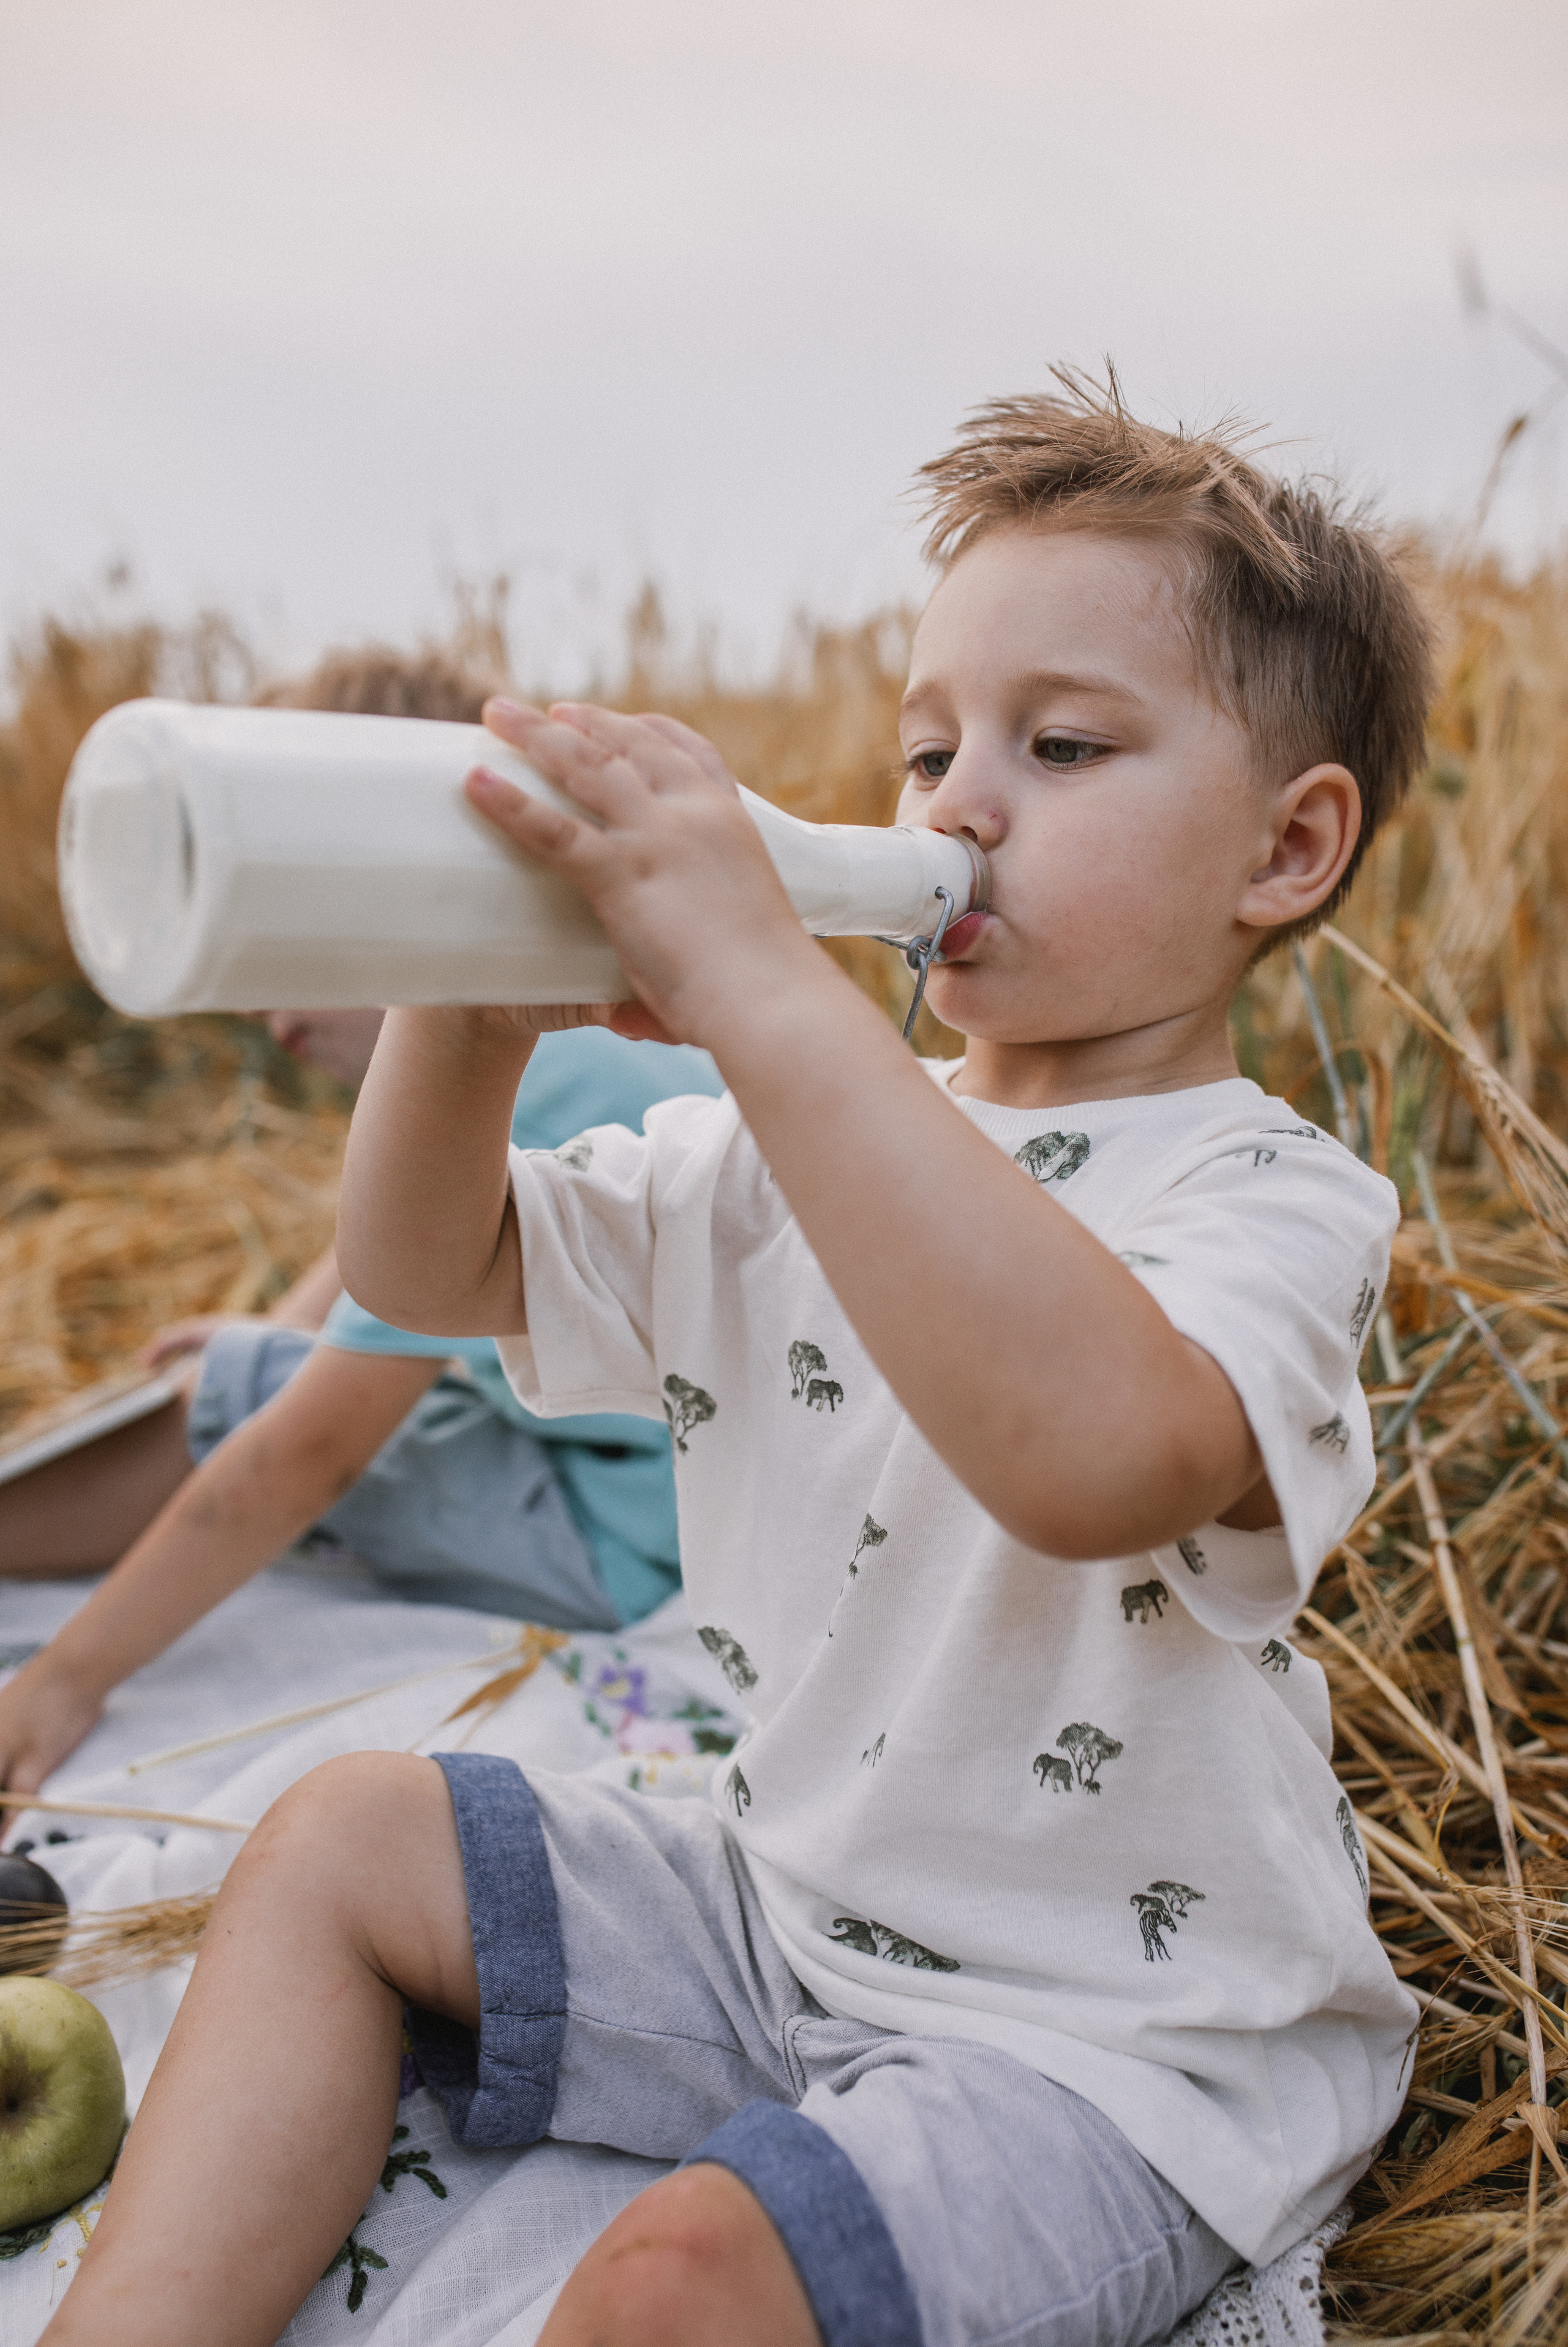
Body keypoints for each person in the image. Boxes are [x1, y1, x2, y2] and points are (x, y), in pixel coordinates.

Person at [45, 380, 1432, 2347]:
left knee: (687, 2278)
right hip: (778, 1916)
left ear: (1286, 851)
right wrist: (478, 1009)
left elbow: (1095, 1452)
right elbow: (427, 1266)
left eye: (1059, 747)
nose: (957, 808)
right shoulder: (763, 1140)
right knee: (346, 1834)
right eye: (927, 748)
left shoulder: (1266, 1194)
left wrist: (769, 995)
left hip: (1110, 2041)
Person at [0, 656, 723, 1795]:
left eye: (289, 928)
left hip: (635, 1551)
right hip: (643, 1476)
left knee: (253, 1402)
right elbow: (389, 1251)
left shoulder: (525, 1079)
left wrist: (64, 1680)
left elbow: (307, 1455)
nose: (256, 999)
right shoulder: (565, 1039)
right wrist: (278, 1329)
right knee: (256, 1369)